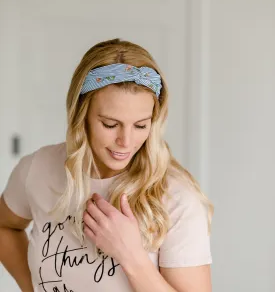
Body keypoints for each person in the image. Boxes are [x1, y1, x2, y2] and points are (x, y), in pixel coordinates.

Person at [0, 38, 213, 292]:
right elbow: (5, 226)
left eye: (141, 125)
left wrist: (131, 256)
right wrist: (31, 285)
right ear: (82, 115)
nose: (125, 141)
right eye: (110, 124)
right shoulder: (37, 169)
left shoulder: (177, 200)